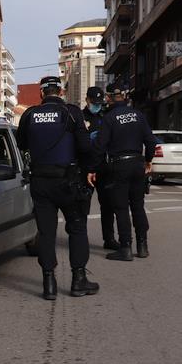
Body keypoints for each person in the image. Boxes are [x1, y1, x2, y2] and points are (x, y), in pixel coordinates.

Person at [17, 76, 99, 300]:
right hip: (68, 181)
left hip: (40, 182)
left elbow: (21, 144)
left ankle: (49, 283)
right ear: (61, 92)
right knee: (77, 228)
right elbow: (84, 146)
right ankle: (78, 280)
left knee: (46, 232)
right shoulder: (72, 112)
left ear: (42, 94)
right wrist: (90, 169)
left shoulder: (29, 114)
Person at [94, 82, 159, 260]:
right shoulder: (139, 115)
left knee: (121, 207)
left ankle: (126, 248)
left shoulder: (109, 117)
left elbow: (100, 146)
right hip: (138, 164)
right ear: (125, 96)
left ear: (109, 97)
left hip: (119, 165)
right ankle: (143, 245)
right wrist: (148, 161)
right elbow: (151, 142)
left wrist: (93, 168)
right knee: (138, 206)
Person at [82, 86, 119, 250]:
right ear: (87, 100)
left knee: (108, 205)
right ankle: (80, 238)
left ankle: (109, 238)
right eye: (93, 102)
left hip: (104, 167)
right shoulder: (80, 117)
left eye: (99, 102)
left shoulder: (107, 116)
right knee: (83, 205)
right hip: (86, 167)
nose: (96, 105)